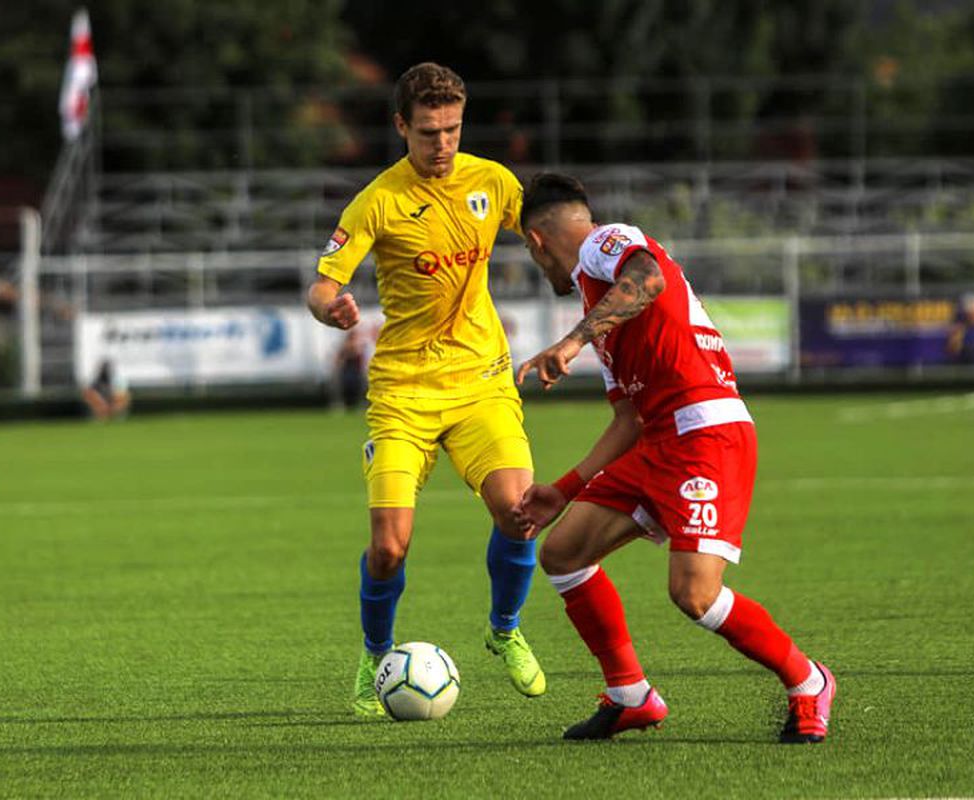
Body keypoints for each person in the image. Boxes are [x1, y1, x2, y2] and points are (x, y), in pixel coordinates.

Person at [513, 173, 836, 742]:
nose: (542, 270)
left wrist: (571, 341)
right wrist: (562, 490)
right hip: (657, 440)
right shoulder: (601, 306)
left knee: (694, 594)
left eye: (533, 257)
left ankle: (807, 681)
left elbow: (648, 277)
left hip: (707, 434)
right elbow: (628, 422)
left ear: (536, 242)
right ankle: (630, 694)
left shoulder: (602, 243)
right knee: (563, 552)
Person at [306, 62, 545, 719]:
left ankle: (503, 630)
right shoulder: (377, 200)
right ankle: (373, 657)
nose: (443, 144)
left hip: (481, 382)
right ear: (401, 127)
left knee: (520, 510)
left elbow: (550, 236)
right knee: (388, 547)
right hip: (404, 390)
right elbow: (322, 284)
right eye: (429, 132)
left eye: (453, 129)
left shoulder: (492, 182)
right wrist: (332, 308)